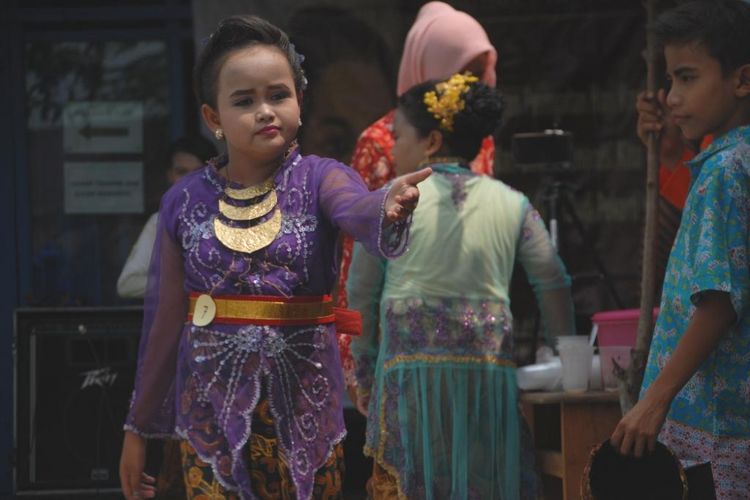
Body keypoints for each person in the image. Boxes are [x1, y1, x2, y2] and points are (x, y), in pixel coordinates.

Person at [118, 15, 431, 500]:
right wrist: (137, 430)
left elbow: (355, 206)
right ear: (213, 118)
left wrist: (384, 202)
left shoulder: (322, 178)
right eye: (245, 101)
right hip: (209, 413)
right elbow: (163, 325)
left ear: (299, 103)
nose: (265, 111)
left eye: (278, 95)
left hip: (304, 407)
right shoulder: (182, 201)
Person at [348, 73, 576, 499]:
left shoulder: (390, 202)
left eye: (399, 137)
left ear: (431, 143)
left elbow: (360, 294)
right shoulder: (513, 203)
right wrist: (567, 359)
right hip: (485, 387)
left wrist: (363, 372)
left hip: (409, 388)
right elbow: (552, 280)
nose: (394, 147)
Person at [610, 2, 750, 498]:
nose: (672, 97)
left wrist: (654, 400)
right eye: (671, 80)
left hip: (712, 431)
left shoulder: (724, 171)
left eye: (687, 78)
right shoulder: (729, 159)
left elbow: (718, 301)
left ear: (741, 80)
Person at [336, 0, 499, 389]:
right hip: (399, 337)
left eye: (480, 73)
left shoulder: (484, 141)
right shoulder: (380, 141)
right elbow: (356, 254)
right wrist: (355, 352)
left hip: (472, 324)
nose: (470, 86)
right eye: (461, 73)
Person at [117, 136, 217, 299]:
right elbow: (127, 284)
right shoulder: (160, 221)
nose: (189, 180)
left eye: (198, 172)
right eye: (181, 172)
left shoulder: (232, 217)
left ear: (213, 174)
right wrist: (184, 281)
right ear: (170, 175)